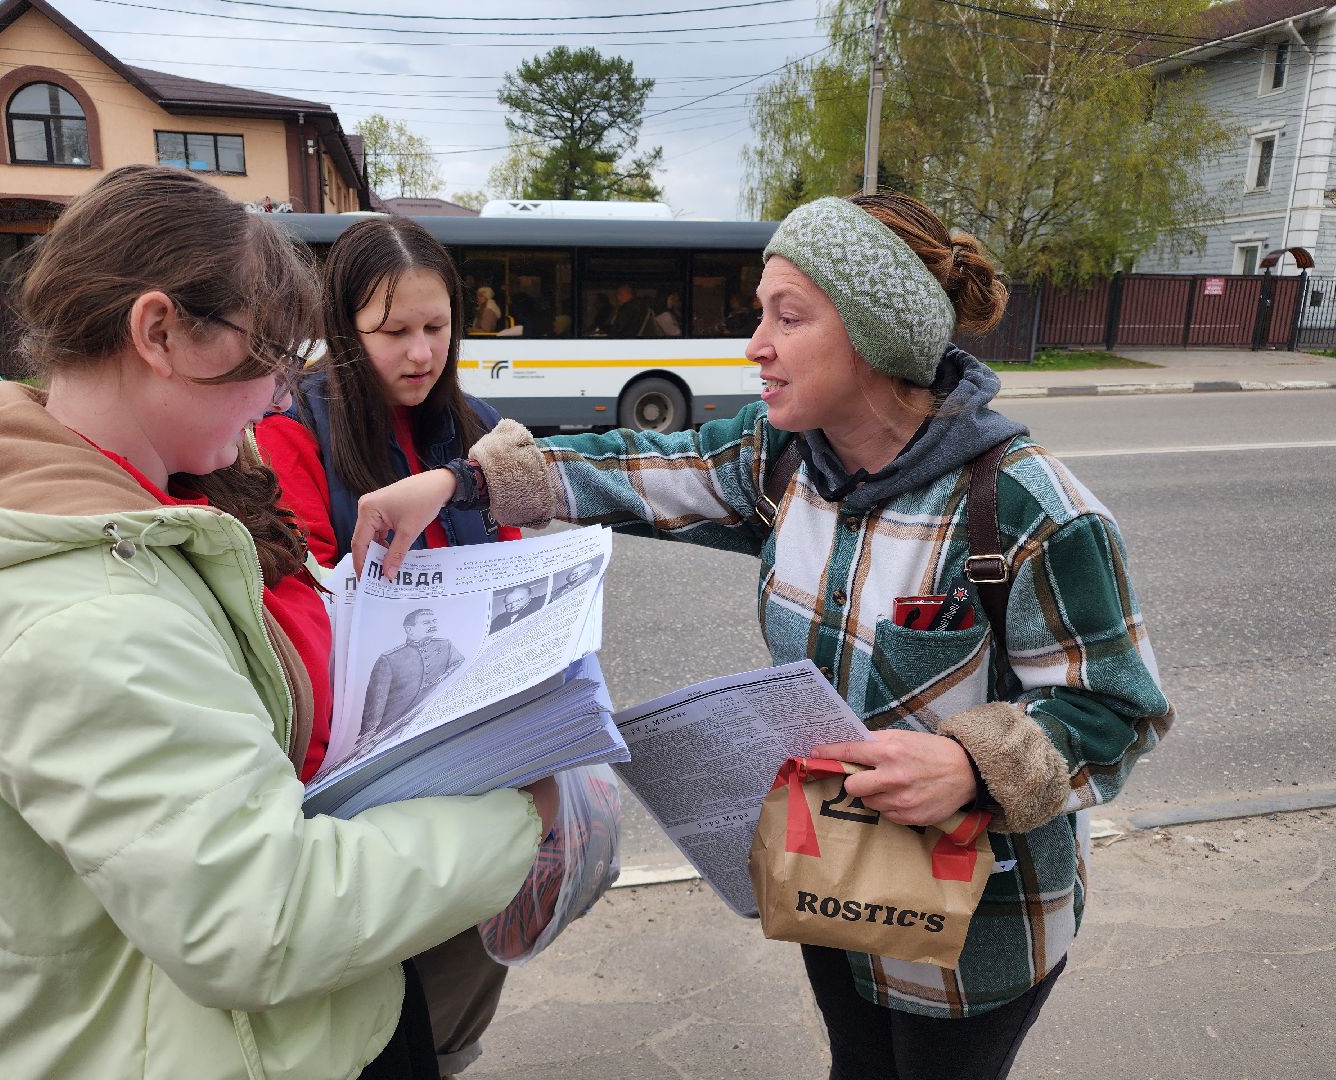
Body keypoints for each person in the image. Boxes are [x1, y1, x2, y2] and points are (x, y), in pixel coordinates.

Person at [352, 192, 1173, 1080]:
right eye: (759, 313)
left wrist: (973, 765)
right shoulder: (782, 459)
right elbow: (639, 466)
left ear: (876, 335)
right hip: (833, 883)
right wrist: (461, 482)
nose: (756, 345)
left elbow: (1118, 709)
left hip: (981, 931)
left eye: (789, 316)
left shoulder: (1028, 508)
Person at [0, 164, 557, 1080]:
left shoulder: (163, 507)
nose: (283, 394)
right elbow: (260, 919)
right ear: (160, 332)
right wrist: (524, 818)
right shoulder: (82, 606)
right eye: (268, 357)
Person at [254, 214, 526, 1078]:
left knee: (466, 952)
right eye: (392, 333)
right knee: (374, 973)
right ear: (343, 330)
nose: (420, 354)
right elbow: (300, 594)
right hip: (365, 756)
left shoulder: (474, 427)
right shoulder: (295, 428)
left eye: (437, 328)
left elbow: (512, 559)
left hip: (476, 735)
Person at [361, 608, 464, 740]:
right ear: (409, 629)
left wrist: (444, 677)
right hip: (396, 724)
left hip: (435, 712)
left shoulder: (445, 645)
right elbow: (376, 700)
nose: (433, 625)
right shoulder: (389, 658)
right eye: (426, 622)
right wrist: (368, 733)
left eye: (434, 621)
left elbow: (459, 662)